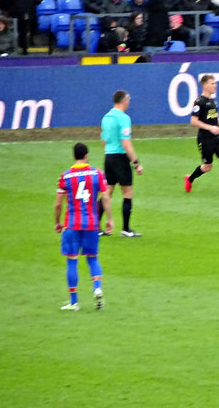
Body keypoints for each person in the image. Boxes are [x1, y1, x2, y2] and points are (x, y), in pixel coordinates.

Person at [55, 143, 113, 311]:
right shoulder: (97, 174)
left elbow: (58, 204)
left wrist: (57, 222)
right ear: (86, 155)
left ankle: (74, 302)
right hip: (91, 224)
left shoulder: (65, 177)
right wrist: (109, 218)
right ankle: (97, 288)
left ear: (74, 156)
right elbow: (106, 198)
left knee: (72, 261)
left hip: (72, 224)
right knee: (92, 258)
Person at [184, 75, 219, 196]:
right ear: (205, 85)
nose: (215, 85)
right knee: (207, 166)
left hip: (218, 137)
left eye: (215, 83)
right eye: (212, 83)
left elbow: (215, 117)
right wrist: (210, 127)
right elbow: (193, 121)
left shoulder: (213, 101)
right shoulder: (199, 102)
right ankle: (190, 179)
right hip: (205, 138)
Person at [100, 90, 143, 238]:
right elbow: (125, 143)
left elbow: (103, 141)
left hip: (108, 157)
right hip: (120, 158)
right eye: (128, 99)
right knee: (127, 192)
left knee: (107, 192)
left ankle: (96, 227)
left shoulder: (106, 117)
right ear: (124, 100)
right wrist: (136, 163)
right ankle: (126, 229)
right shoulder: (124, 118)